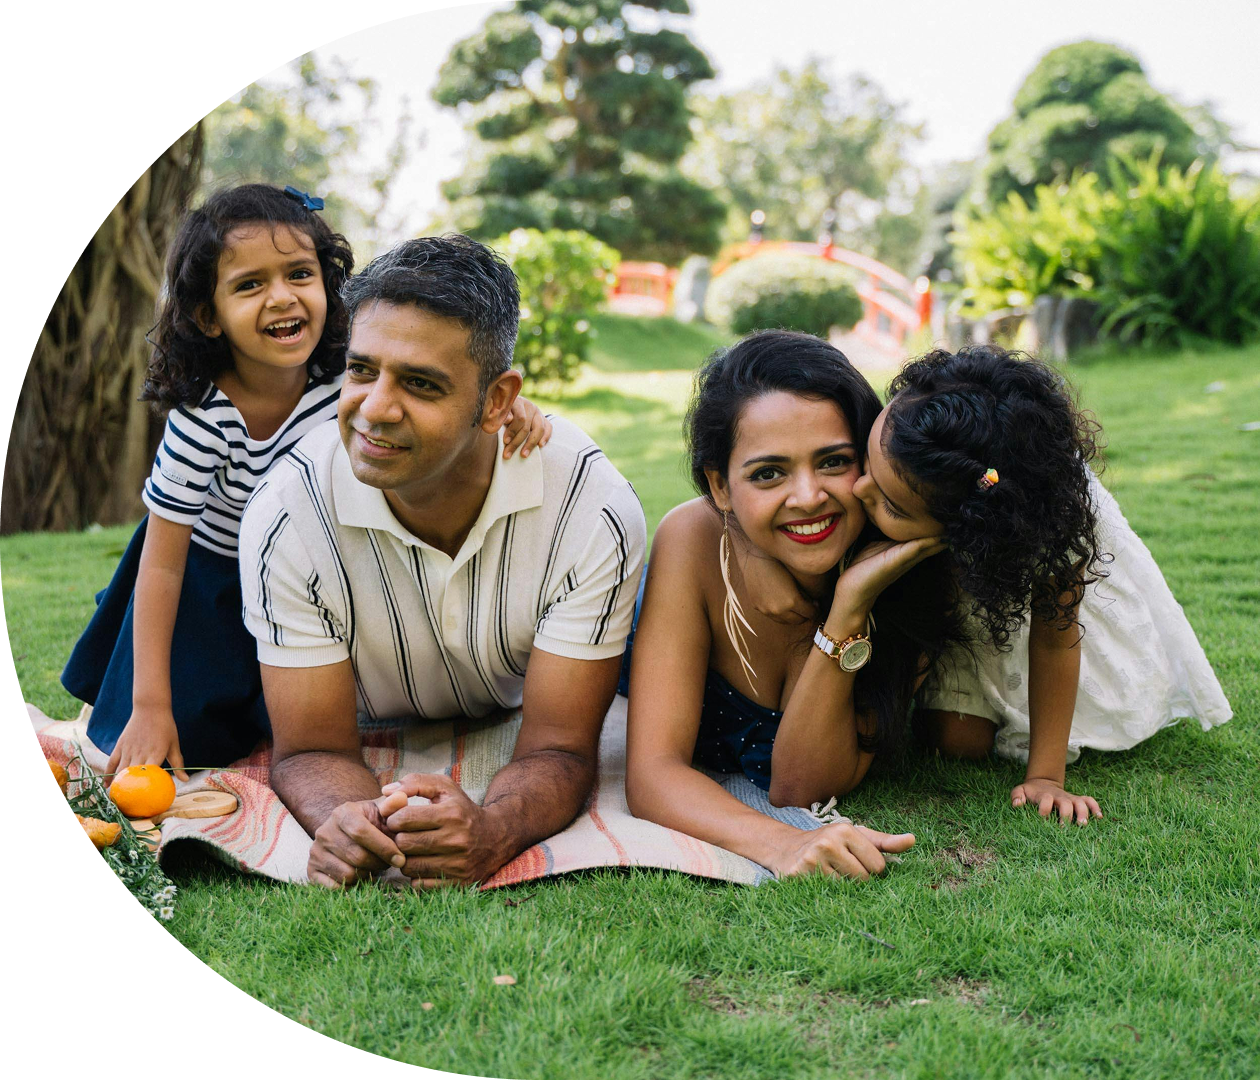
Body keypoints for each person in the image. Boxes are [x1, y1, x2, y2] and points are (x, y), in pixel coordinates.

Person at [61, 185, 550, 780]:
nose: (281, 297)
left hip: (303, 571)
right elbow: (161, 567)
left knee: (304, 725)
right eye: (249, 285)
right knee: (191, 740)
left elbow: (447, 389)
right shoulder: (205, 419)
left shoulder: (343, 379)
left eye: (299, 273)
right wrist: (150, 705)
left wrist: (515, 411)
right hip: (207, 581)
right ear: (207, 317)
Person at [236, 235, 646, 890]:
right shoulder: (289, 512)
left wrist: (495, 830)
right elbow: (312, 747)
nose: (375, 409)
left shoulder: (590, 510)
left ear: (497, 400)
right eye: (362, 370)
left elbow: (559, 748)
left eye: (420, 384)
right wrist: (347, 819)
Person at [753, 345, 1233, 825]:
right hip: (947, 598)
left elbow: (1055, 639)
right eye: (867, 465)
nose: (859, 491)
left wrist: (1045, 775)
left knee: (964, 745)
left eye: (891, 508)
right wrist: (761, 560)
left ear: (966, 527)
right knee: (955, 740)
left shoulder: (1043, 529)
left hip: (1006, 601)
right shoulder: (917, 441)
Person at [623, 330, 964, 881]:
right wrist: (781, 845)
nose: (808, 496)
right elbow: (654, 775)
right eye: (768, 473)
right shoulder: (692, 540)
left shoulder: (907, 572)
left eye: (833, 462)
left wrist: (848, 610)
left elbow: (802, 789)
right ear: (721, 486)